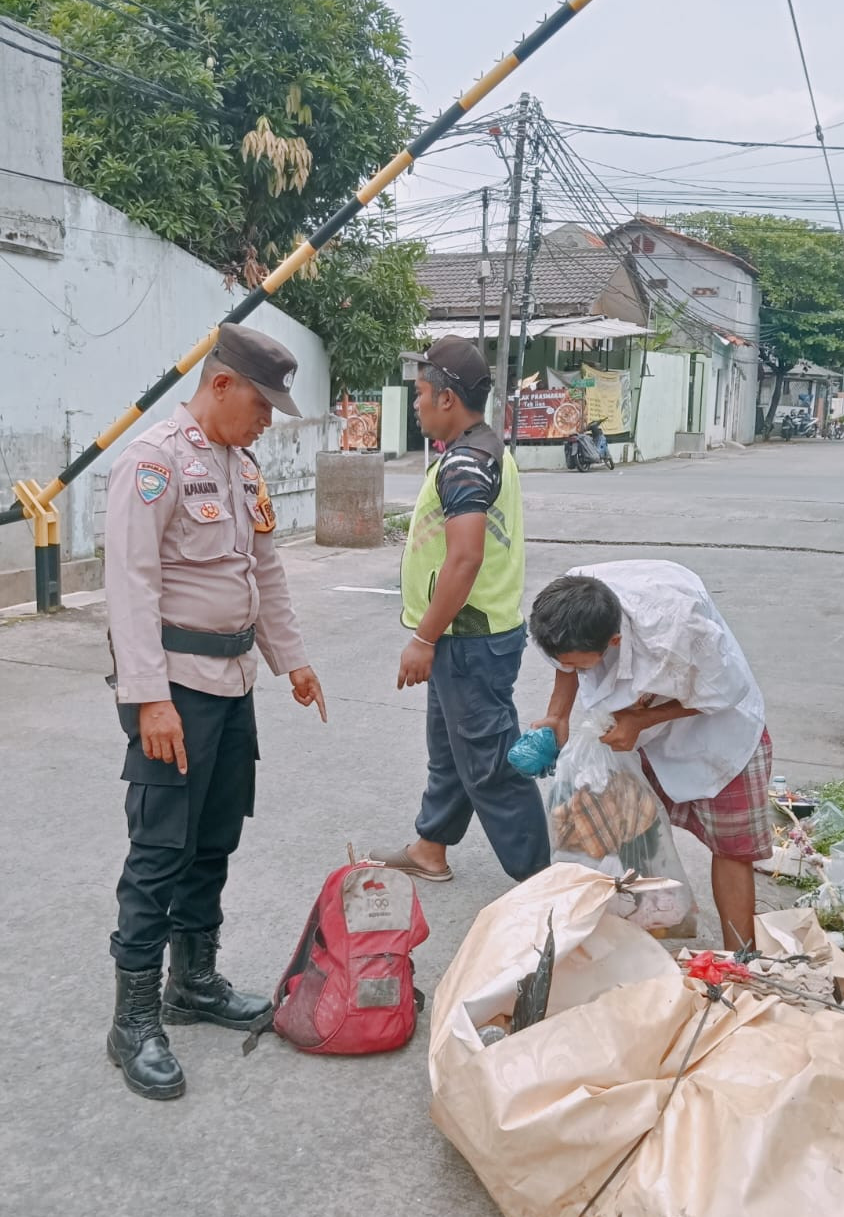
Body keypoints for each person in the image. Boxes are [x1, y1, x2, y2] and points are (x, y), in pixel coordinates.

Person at [103, 322, 326, 1102]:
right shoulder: (154, 462)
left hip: (233, 685)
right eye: (261, 404)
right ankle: (132, 1020)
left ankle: (191, 983)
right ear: (222, 383)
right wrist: (148, 698)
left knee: (214, 840)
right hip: (176, 688)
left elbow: (263, 568)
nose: (267, 420)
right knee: (161, 848)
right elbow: (129, 587)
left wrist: (291, 659)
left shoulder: (241, 466)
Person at [370, 336, 550, 886]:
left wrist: (424, 638)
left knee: (490, 766)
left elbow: (466, 557)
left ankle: (543, 889)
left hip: (467, 637)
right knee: (449, 748)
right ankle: (430, 846)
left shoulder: (467, 462)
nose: (417, 405)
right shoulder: (483, 448)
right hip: (472, 635)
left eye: (421, 394)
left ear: (447, 399)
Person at [529, 560, 770, 949]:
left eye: (576, 662)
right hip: (635, 726)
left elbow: (726, 691)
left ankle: (740, 959)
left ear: (614, 642)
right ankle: (634, 936)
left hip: (716, 732)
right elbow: (564, 659)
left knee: (731, 848)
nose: (568, 667)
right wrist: (558, 714)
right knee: (627, 826)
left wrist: (643, 719)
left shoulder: (678, 630)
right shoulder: (569, 604)